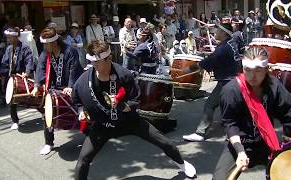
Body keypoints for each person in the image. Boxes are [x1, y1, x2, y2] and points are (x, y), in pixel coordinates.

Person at [72, 40, 196, 180]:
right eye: (92, 62)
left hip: (129, 121)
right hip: (103, 125)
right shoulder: (84, 81)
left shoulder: (124, 75)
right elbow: (76, 99)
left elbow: (135, 100)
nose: (94, 66)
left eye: (98, 62)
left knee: (164, 141)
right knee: (83, 160)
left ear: (109, 58)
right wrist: (82, 111)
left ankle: (181, 163)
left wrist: (123, 106)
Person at [213, 47, 291, 179]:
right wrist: (240, 152)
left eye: (258, 70)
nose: (252, 76)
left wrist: (288, 142)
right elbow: (230, 124)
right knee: (219, 178)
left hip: (266, 141)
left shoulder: (274, 86)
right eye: (247, 70)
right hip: (240, 142)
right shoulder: (231, 90)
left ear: (267, 70)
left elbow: (288, 113)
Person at [182, 23, 241, 142]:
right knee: (228, 108)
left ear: (224, 33)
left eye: (218, 30)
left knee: (211, 104)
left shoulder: (223, 48)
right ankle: (232, 133)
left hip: (227, 82)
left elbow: (208, 62)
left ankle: (201, 133)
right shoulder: (231, 44)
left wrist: (188, 69)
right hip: (235, 80)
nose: (215, 32)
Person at [32, 27, 84, 155]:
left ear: (54, 43)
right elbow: (41, 69)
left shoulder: (70, 51)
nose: (44, 47)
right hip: (54, 88)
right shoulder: (46, 53)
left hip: (71, 86)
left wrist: (70, 86)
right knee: (47, 114)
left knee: (80, 113)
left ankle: (92, 131)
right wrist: (37, 85)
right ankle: (49, 143)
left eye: (46, 44)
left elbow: (74, 70)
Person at [0, 27, 34, 130]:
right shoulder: (9, 49)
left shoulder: (25, 48)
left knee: (31, 98)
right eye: (7, 38)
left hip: (22, 76)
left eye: (10, 38)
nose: (8, 40)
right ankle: (15, 120)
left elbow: (29, 61)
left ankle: (41, 111)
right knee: (11, 100)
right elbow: (5, 64)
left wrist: (27, 73)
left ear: (16, 37)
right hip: (11, 77)